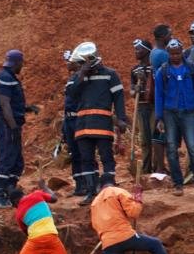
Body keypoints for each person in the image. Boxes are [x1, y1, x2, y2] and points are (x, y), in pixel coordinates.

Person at [68, 42, 128, 206]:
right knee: (86, 159)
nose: (80, 66)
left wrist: (121, 118)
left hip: (102, 124)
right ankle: (91, 191)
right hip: (83, 125)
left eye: (82, 63)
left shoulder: (110, 74)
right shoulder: (78, 77)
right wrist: (81, 75)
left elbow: (119, 97)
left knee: (106, 157)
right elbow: (71, 95)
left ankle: (109, 189)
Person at [154, 39, 194, 196]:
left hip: (189, 112)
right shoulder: (162, 72)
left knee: (193, 148)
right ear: (168, 54)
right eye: (172, 54)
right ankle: (178, 184)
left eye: (178, 53)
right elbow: (159, 96)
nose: (175, 56)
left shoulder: (192, 69)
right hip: (169, 113)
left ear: (182, 51)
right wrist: (159, 118)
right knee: (171, 148)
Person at [0, 50, 40, 208]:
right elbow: (5, 105)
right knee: (6, 158)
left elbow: (12, 104)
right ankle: (0, 194)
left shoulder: (10, 78)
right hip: (7, 125)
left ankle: (10, 190)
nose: (22, 66)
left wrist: (26, 108)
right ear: (18, 63)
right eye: (22, 63)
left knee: (17, 160)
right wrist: (12, 127)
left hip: (12, 124)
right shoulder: (5, 78)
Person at [63, 50, 91, 196]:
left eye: (70, 61)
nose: (68, 63)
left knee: (84, 152)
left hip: (79, 119)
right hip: (69, 120)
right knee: (74, 153)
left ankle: (89, 183)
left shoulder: (82, 79)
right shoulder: (72, 79)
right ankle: (79, 185)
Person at [148, 25, 173, 174]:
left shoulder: (154, 53)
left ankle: (160, 166)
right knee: (161, 132)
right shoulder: (162, 55)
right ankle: (160, 167)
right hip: (165, 97)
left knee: (161, 131)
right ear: (163, 37)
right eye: (170, 35)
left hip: (160, 96)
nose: (171, 37)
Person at [130, 40, 156, 175]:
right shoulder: (134, 70)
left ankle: (158, 168)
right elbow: (131, 91)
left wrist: (145, 80)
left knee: (155, 137)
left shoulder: (155, 68)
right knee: (145, 140)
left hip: (153, 106)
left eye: (138, 49)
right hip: (141, 107)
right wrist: (136, 90)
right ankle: (146, 169)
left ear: (147, 51)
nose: (136, 52)